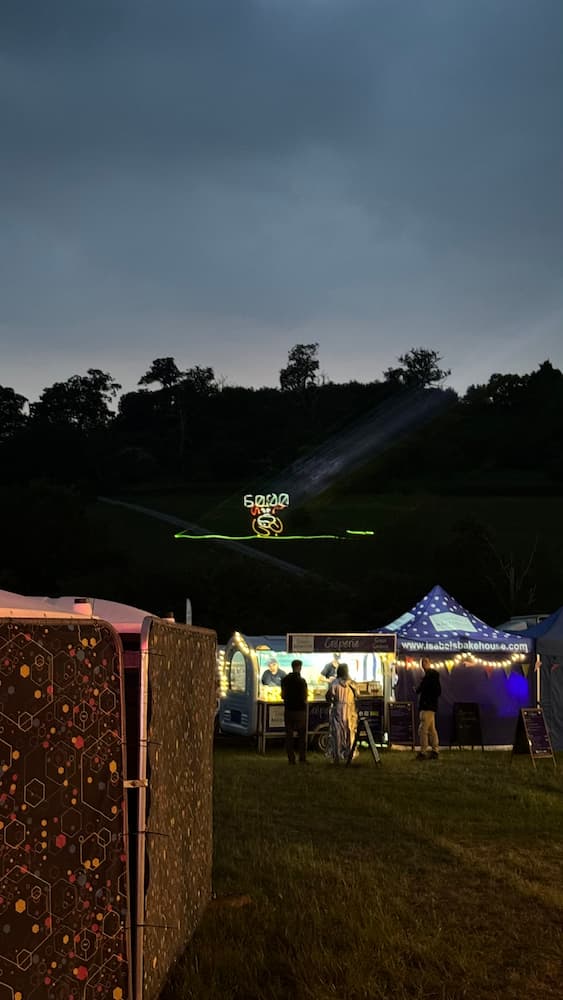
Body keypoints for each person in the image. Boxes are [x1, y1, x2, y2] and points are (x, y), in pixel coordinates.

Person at [326, 663, 359, 763]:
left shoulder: (334, 683)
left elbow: (329, 696)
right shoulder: (352, 683)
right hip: (350, 710)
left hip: (338, 710)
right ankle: (350, 755)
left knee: (337, 733)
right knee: (350, 732)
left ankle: (336, 756)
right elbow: (358, 695)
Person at [281, 659, 308, 764]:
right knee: (302, 735)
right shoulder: (302, 681)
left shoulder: (285, 680)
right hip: (300, 711)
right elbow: (305, 696)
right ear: (300, 667)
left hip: (288, 710)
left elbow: (283, 695)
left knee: (289, 735)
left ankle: (291, 759)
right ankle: (302, 758)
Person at [416, 657, 441, 759]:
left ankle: (423, 752)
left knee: (423, 730)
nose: (423, 664)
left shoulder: (430, 677)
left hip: (427, 706)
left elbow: (422, 689)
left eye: (425, 662)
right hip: (430, 706)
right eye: (422, 662)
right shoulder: (431, 677)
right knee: (431, 729)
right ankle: (435, 750)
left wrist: (421, 691)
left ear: (430, 663)